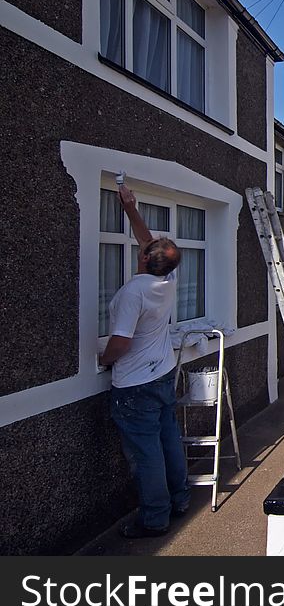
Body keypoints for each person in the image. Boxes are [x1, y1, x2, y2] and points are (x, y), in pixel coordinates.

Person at [99, 183, 190, 538]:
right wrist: (130, 208)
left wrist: (105, 359)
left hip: (135, 385)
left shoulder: (132, 293)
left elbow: (120, 342)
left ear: (143, 261)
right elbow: (149, 244)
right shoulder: (165, 279)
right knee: (168, 441)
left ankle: (155, 519)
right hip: (163, 374)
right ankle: (179, 500)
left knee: (147, 454)